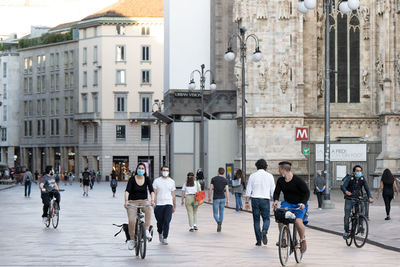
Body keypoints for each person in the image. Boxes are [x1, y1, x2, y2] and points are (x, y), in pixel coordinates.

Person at [273, 161, 310, 254]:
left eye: (279, 169)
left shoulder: (298, 180)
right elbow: (277, 192)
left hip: (299, 204)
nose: (278, 171)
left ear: (283, 170)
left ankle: (302, 240)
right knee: (280, 216)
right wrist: (276, 200)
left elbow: (307, 192)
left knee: (298, 221)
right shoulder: (281, 180)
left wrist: (303, 203)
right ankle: (283, 238)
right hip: (288, 203)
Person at [124, 163, 155, 250]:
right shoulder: (132, 179)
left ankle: (146, 230)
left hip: (144, 201)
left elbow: (152, 191)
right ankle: (132, 239)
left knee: (149, 208)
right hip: (132, 202)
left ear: (145, 170)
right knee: (131, 220)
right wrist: (126, 201)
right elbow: (127, 191)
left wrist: (152, 201)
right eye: (139, 168)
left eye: (142, 168)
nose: (141, 170)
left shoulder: (147, 179)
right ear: (136, 169)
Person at [245, 159, 275, 246]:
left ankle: (258, 241)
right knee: (266, 218)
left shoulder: (252, 176)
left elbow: (248, 190)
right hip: (265, 199)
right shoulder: (270, 176)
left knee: (256, 220)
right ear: (266, 166)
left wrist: (247, 202)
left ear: (256, 166)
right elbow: (273, 190)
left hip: (255, 199)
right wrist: (275, 200)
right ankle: (264, 230)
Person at [341, 165, 374, 239]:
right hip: (349, 198)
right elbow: (343, 186)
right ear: (354, 172)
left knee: (361, 212)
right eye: (357, 171)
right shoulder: (350, 178)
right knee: (347, 215)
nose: (359, 172)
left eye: (360, 171)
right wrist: (346, 191)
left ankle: (360, 226)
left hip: (358, 198)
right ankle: (346, 231)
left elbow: (367, 188)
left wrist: (370, 197)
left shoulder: (362, 178)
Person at [153, 166, 176, 245]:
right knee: (160, 221)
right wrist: (154, 202)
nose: (165, 171)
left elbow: (173, 194)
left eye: (167, 170)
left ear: (169, 172)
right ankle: (160, 232)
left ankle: (165, 237)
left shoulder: (172, 181)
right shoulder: (156, 181)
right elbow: (154, 193)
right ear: (161, 171)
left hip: (168, 203)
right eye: (164, 170)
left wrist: (174, 205)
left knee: (167, 221)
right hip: (159, 204)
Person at [208, 167, 229, 232]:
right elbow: (227, 191)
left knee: (215, 213)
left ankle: (218, 222)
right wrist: (228, 200)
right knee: (221, 212)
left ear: (218, 171)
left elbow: (210, 189)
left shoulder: (213, 179)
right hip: (223, 198)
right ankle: (220, 224)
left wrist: (209, 197)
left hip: (216, 198)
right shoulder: (225, 180)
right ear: (223, 172)